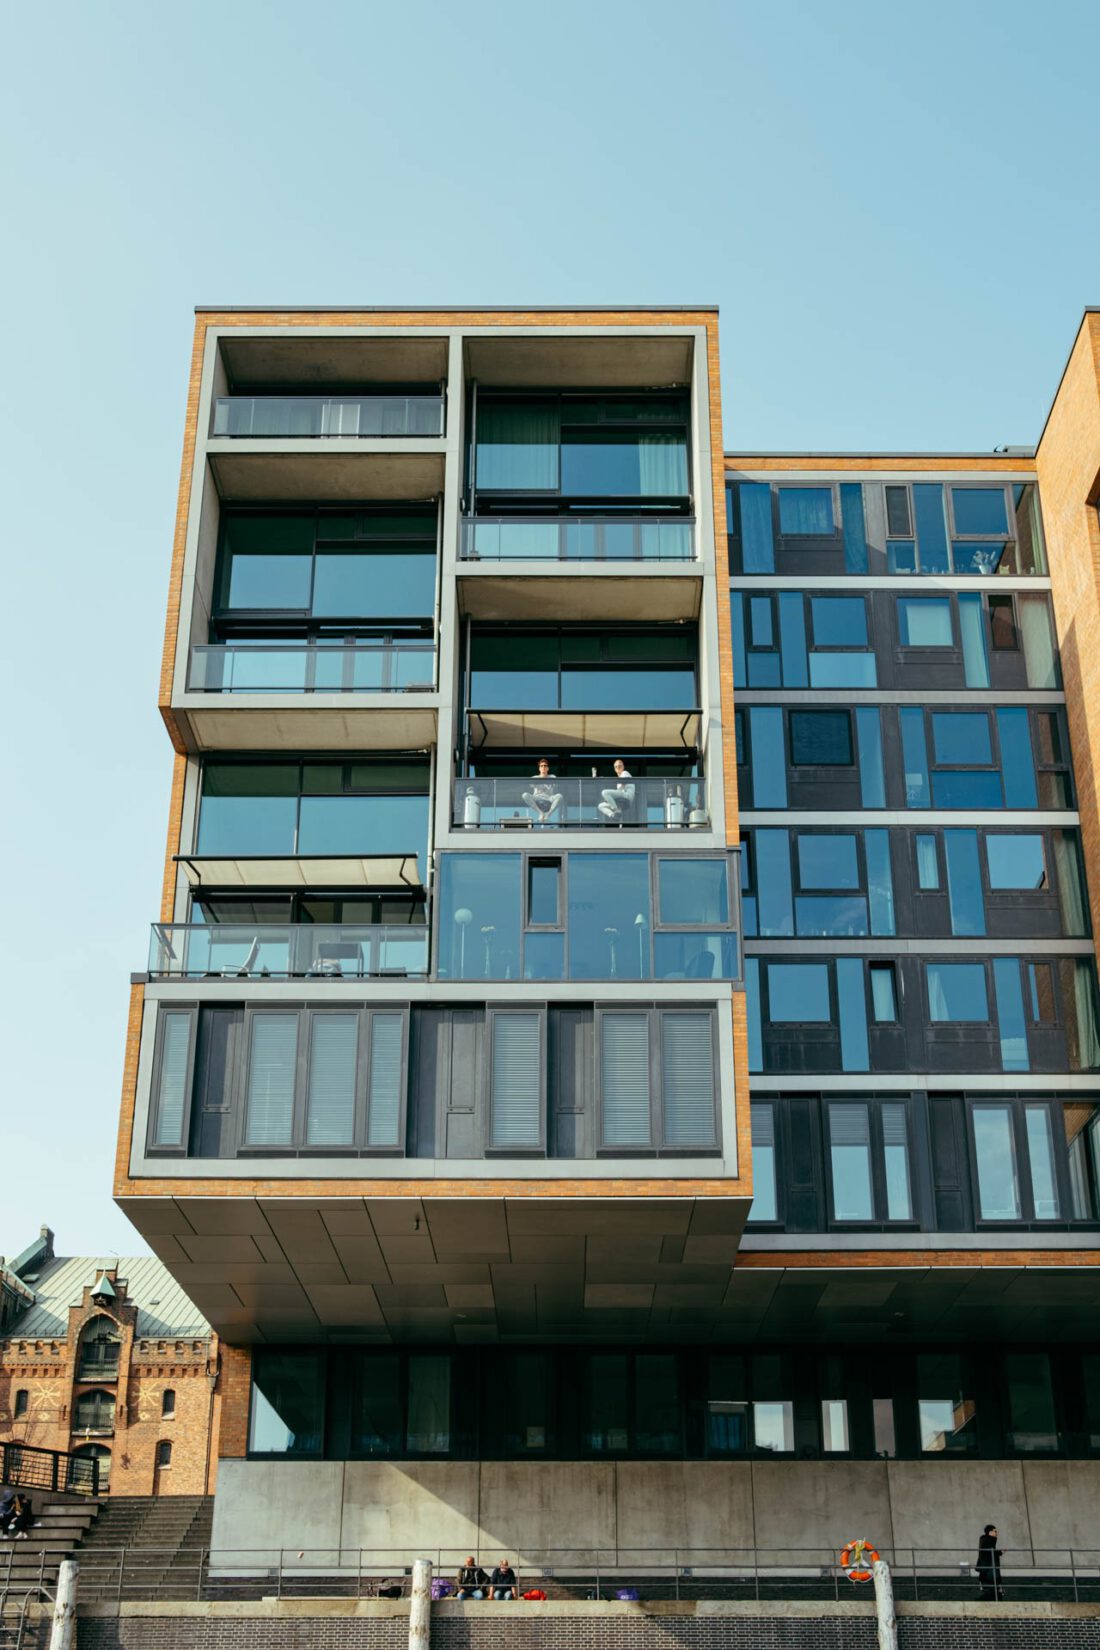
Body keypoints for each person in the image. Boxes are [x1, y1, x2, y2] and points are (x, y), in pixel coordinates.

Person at [522, 759, 563, 825]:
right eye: (541, 766)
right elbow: (531, 785)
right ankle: (540, 813)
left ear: (548, 768)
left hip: (549, 798)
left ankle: (548, 814)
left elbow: (556, 785)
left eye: (545, 766)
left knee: (559, 796)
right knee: (525, 795)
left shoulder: (552, 777)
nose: (543, 767)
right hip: (537, 798)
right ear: (539, 768)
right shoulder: (535, 777)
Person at [976, 1524, 1003, 1600]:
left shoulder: (984, 1541)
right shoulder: (989, 1540)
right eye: (995, 1531)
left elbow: (989, 1552)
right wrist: (1000, 1552)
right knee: (992, 1592)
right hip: (989, 1572)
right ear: (990, 1532)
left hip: (986, 1571)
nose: (997, 1533)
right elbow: (990, 1553)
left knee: (990, 1591)